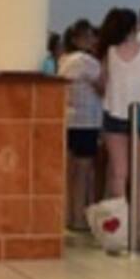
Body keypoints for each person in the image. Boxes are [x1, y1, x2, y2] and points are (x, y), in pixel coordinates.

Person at [98, 7, 140, 252]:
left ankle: (120, 231)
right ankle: (138, 231)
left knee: (118, 174)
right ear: (134, 27)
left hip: (114, 115)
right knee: (138, 176)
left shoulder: (109, 53)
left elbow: (102, 84)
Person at [58, 19, 102, 229]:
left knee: (69, 173)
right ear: (79, 39)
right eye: (90, 36)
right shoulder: (88, 61)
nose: (93, 40)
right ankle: (78, 217)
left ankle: (66, 216)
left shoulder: (63, 60)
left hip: (68, 120)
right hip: (87, 122)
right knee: (83, 173)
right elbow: (103, 86)